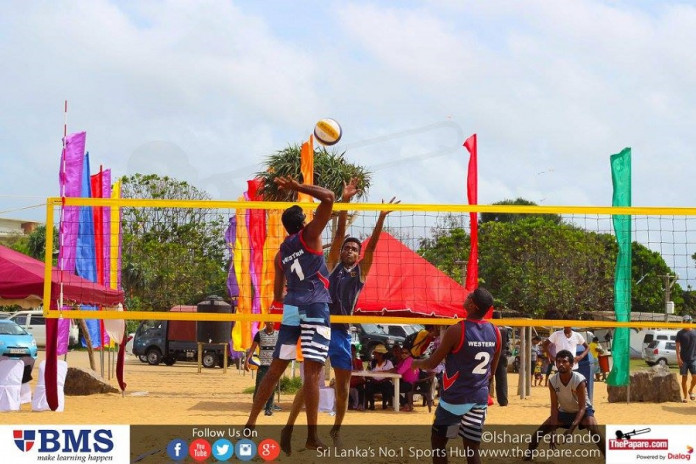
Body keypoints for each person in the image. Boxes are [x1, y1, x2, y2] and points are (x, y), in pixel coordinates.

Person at [281, 178, 398, 450]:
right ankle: (289, 426)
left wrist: (380, 218)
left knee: (343, 387)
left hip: (343, 332)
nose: (350, 250)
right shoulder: (331, 264)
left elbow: (373, 247)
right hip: (321, 325)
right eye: (347, 247)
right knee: (310, 380)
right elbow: (338, 235)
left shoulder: (361, 271)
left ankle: (335, 430)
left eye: (354, 248)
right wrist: (344, 201)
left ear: (358, 255)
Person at [244, 176, 334, 453]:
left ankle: (251, 422)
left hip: (292, 309)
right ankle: (311, 436)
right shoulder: (310, 236)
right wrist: (297, 188)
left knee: (275, 369)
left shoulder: (280, 252)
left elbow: (276, 296)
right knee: (312, 373)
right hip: (316, 307)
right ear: (304, 222)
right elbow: (329, 197)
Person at [412, 288, 501, 464]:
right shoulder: (495, 331)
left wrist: (416, 363)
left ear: (472, 305)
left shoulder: (457, 330)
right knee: (472, 450)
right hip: (478, 400)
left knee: (439, 444)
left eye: (469, 296)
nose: (466, 297)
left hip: (454, 400)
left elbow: (431, 364)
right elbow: (493, 370)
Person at [523, 349, 605, 461]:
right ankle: (528, 457)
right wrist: (553, 431)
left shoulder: (579, 380)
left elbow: (582, 408)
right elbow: (554, 407)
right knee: (538, 434)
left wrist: (571, 429)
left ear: (571, 365)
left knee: (593, 429)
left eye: (564, 361)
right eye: (558, 361)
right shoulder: (553, 381)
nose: (560, 364)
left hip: (583, 412)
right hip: (564, 411)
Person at [244, 321, 279, 416]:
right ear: (266, 323)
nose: (270, 324)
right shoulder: (259, 334)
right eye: (268, 322)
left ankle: (269, 408)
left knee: (272, 387)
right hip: (262, 364)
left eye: (271, 322)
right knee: (259, 386)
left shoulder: (278, 334)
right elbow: (252, 348)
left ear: (274, 323)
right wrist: (247, 360)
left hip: (274, 365)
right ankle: (256, 407)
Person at [364, 344, 395, 410]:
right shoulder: (372, 363)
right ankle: (372, 404)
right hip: (374, 382)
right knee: (368, 386)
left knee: (387, 386)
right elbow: (367, 371)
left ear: (381, 355)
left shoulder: (388, 362)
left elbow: (392, 370)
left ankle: (384, 404)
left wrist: (384, 372)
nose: (374, 355)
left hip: (384, 381)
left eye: (376, 353)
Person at [675, 315, 696, 403]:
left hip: (694, 358)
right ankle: (685, 396)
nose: (688, 323)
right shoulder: (680, 333)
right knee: (684, 378)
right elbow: (677, 347)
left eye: (689, 321)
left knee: (695, 377)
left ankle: (690, 390)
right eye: (686, 321)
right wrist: (679, 358)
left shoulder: (695, 332)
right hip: (683, 359)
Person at [491, 311, 509, 406]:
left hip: (492, 353)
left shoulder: (490, 327)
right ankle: (503, 401)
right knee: (502, 378)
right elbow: (507, 342)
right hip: (502, 354)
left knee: (488, 377)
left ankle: (487, 399)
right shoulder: (505, 329)